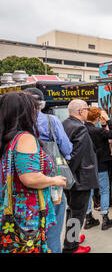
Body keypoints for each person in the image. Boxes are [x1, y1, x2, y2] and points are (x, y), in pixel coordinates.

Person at [0, 92, 67, 253]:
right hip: (27, 215)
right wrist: (55, 180)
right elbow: (29, 177)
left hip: (12, 209)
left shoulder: (7, 138)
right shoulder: (24, 138)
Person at [23, 88, 73, 253]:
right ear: (41, 104)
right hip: (51, 182)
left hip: (23, 190)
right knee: (53, 229)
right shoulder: (51, 120)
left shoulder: (15, 124)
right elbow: (66, 147)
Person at [62, 100, 99, 253]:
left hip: (71, 178)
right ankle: (71, 246)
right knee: (78, 213)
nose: (88, 111)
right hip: (80, 178)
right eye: (86, 109)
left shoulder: (64, 124)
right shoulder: (79, 128)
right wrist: (68, 176)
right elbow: (75, 156)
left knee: (72, 210)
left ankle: (73, 237)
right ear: (80, 111)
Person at [85, 107, 112, 231]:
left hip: (87, 165)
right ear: (97, 118)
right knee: (104, 190)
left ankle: (88, 217)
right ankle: (105, 218)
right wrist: (108, 121)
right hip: (101, 164)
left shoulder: (82, 129)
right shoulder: (97, 131)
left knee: (90, 191)